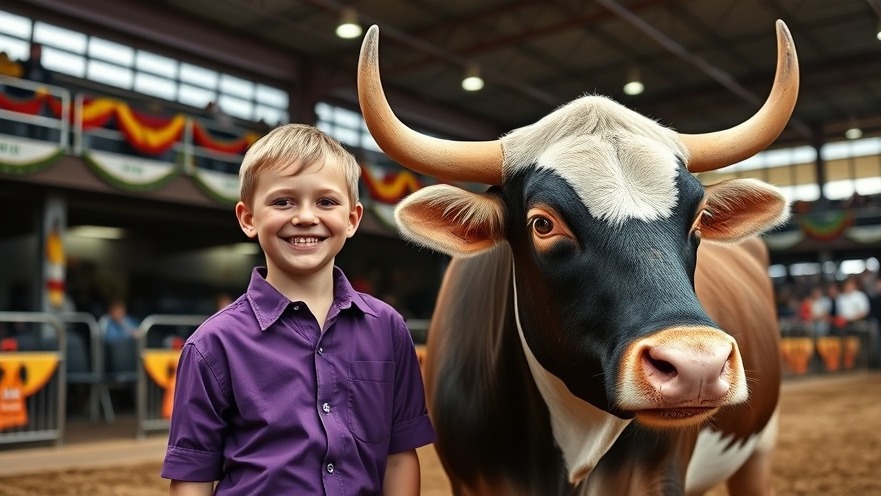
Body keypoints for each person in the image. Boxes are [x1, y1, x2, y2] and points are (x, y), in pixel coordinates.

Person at [161, 124, 435, 495]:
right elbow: (192, 478)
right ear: (248, 218)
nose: (305, 216)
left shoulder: (388, 330)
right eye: (282, 201)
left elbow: (399, 456)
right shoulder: (211, 346)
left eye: (326, 202)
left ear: (352, 219)